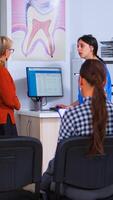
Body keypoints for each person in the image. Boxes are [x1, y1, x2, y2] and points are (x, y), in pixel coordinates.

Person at [41, 59, 113, 192]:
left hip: (75, 188)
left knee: (50, 169)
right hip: (108, 187)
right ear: (105, 82)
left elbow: (61, 158)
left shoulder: (71, 115)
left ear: (81, 81)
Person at [58, 34, 112, 108]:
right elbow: (83, 99)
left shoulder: (99, 68)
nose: (78, 49)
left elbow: (102, 96)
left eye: (82, 46)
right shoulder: (87, 66)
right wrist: (69, 106)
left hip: (98, 113)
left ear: (91, 48)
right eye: (77, 46)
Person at [0, 36, 21, 136]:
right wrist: (17, 104)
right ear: (4, 51)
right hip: (4, 120)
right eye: (10, 50)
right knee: (10, 151)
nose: (10, 52)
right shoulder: (2, 71)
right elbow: (9, 98)